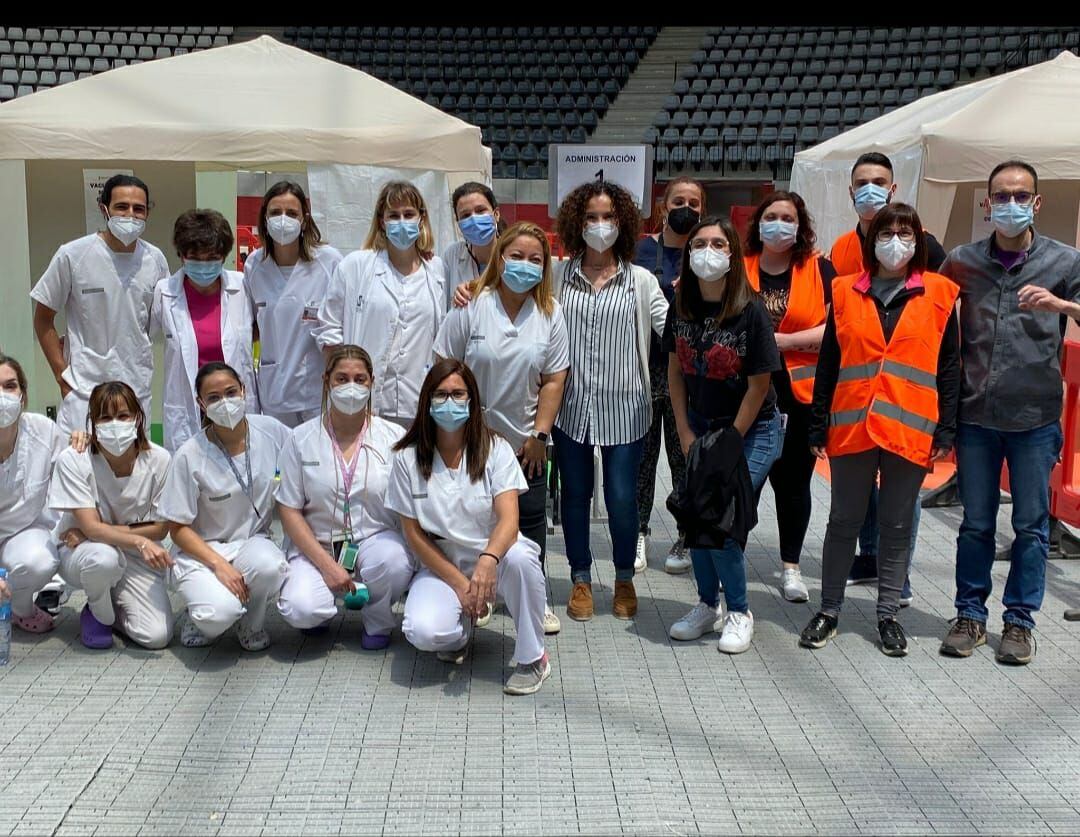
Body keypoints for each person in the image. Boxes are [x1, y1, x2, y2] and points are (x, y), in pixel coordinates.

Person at [802, 204, 960, 657]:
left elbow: (950, 367)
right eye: (886, 233)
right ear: (871, 243)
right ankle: (829, 609)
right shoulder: (845, 291)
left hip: (910, 429)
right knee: (843, 521)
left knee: (895, 524)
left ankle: (888, 614)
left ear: (919, 242)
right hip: (852, 426)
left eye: (905, 233)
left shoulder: (939, 293)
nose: (895, 241)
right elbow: (829, 362)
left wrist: (946, 430)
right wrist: (817, 423)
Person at [939, 160, 1080, 665]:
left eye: (1021, 196)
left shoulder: (1065, 261)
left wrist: (1063, 307)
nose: (1011, 204)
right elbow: (928, 309)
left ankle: (1019, 622)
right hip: (976, 415)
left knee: (1030, 526)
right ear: (987, 203)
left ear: (1036, 203)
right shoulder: (962, 261)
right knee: (976, 523)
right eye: (1001, 196)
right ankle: (969, 616)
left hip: (1034, 419)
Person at [434, 221, 569, 635]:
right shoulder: (471, 304)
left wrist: (540, 435)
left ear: (544, 267)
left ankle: (533, 598)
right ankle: (480, 593)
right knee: (474, 520)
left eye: (535, 259)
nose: (525, 265)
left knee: (530, 521)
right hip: (470, 438)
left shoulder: (550, 313)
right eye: (516, 256)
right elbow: (444, 365)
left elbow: (554, 378)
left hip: (524, 440)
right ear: (500, 258)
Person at [387, 359, 550, 696]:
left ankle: (533, 658)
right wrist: (462, 584)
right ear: (427, 400)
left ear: (472, 399)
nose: (449, 402)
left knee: (522, 559)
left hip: (496, 558)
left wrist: (488, 561)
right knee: (424, 631)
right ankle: (459, 630)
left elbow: (509, 520)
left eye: (458, 394)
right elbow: (413, 535)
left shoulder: (496, 449)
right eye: (441, 394)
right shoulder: (406, 458)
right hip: (441, 565)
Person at [831, 152, 948, 592]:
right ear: (850, 191)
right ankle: (869, 556)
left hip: (906, 392)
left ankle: (899, 573)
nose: (870, 190)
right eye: (862, 182)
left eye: (879, 182)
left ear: (893, 188)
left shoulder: (924, 244)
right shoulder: (842, 248)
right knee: (861, 489)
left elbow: (939, 318)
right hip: (857, 390)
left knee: (901, 494)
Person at [665, 217, 783, 654]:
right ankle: (705, 604)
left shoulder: (751, 311)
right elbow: (675, 372)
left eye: (718, 244)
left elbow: (759, 385)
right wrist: (683, 428)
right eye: (699, 244)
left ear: (732, 254)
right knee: (696, 516)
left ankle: (738, 610)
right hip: (701, 427)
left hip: (751, 431)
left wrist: (732, 439)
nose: (708, 252)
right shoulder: (681, 306)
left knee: (721, 518)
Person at [552, 181, 668, 622]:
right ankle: (580, 578)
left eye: (608, 217)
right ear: (576, 223)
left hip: (626, 408)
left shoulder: (641, 281)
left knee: (621, 497)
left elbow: (672, 327)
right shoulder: (557, 276)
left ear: (623, 223)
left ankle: (623, 577)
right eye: (591, 217)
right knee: (575, 495)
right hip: (570, 407)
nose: (600, 226)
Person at [275, 346, 416, 648]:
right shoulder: (300, 438)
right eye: (342, 379)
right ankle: (319, 611)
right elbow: (288, 509)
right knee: (302, 609)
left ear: (372, 382)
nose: (351, 387)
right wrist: (326, 564)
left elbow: (408, 505)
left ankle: (378, 619)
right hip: (317, 543)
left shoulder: (394, 438)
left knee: (394, 561)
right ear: (326, 381)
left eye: (359, 379)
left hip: (374, 539)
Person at [156, 362, 290, 651]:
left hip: (251, 543)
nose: (225, 403)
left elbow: (306, 449)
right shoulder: (190, 454)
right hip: (201, 551)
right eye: (214, 398)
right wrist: (218, 565)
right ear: (201, 404)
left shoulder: (271, 431)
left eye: (231, 392)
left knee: (271, 567)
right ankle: (200, 619)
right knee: (219, 614)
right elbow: (177, 528)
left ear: (244, 390)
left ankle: (251, 625)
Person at [744, 191, 835, 603]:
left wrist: (781, 342)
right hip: (747, 392)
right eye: (771, 216)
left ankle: (791, 567)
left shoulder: (819, 268)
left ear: (800, 226)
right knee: (744, 481)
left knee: (794, 484)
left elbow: (835, 327)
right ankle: (731, 558)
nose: (779, 224)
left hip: (800, 395)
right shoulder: (739, 265)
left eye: (788, 218)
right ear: (758, 223)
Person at [31, 174, 169, 434]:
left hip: (136, 391)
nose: (130, 215)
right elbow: (43, 319)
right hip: (84, 392)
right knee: (80, 457)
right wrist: (62, 378)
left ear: (147, 213)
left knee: (133, 459)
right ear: (104, 208)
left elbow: (155, 321)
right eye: (122, 207)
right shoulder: (73, 255)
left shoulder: (155, 259)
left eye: (138, 209)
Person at [48, 381, 174, 649]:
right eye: (105, 417)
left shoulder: (160, 460)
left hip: (128, 553)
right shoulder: (75, 459)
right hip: (84, 551)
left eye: (123, 415)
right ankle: (98, 612)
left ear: (138, 417)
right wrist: (137, 538)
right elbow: (96, 530)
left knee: (156, 637)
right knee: (103, 559)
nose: (114, 423)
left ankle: (111, 601)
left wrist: (93, 531)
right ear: (93, 422)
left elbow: (160, 528)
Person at [315, 180, 447, 427]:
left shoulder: (437, 271)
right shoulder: (355, 266)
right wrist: (346, 381)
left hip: (418, 401)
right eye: (393, 215)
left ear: (421, 219)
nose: (401, 221)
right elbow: (328, 327)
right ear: (381, 222)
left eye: (408, 214)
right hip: (363, 401)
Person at [632, 177, 704, 574]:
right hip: (644, 368)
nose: (686, 209)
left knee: (684, 457)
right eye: (679, 201)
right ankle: (638, 531)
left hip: (689, 373)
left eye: (694, 203)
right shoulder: (640, 251)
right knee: (642, 459)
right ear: (663, 206)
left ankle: (685, 535)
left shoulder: (709, 250)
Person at [151, 209, 259, 452]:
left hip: (233, 402)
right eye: (195, 258)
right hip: (188, 406)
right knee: (191, 467)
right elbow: (139, 337)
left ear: (224, 256)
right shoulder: (164, 292)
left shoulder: (243, 287)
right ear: (181, 255)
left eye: (212, 258)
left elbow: (259, 330)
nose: (203, 266)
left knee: (241, 464)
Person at [245, 181, 343, 427]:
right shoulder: (255, 265)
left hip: (317, 391)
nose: (283, 219)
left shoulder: (328, 262)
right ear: (265, 219)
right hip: (274, 391)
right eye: (275, 212)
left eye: (291, 213)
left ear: (304, 220)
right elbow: (250, 325)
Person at [0, 355, 67, 634]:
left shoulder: (43, 432)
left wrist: (83, 442)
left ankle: (20, 609)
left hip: (20, 535)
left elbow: (69, 479)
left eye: (9, 386)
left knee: (40, 560)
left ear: (23, 396)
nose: (2, 396)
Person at [440, 182, 505, 311]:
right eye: (466, 215)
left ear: (496, 214)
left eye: (480, 210)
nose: (474, 219)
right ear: (458, 223)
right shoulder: (452, 255)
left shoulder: (513, 256)